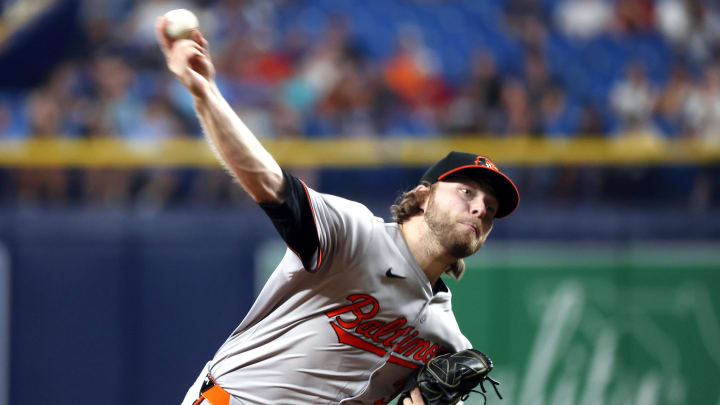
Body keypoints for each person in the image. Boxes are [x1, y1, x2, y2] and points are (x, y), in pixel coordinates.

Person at [155, 15, 519, 405]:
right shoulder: (353, 234)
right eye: (466, 191)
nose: (480, 207)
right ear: (424, 196)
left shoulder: (447, 339)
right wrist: (205, 92)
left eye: (491, 207)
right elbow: (265, 178)